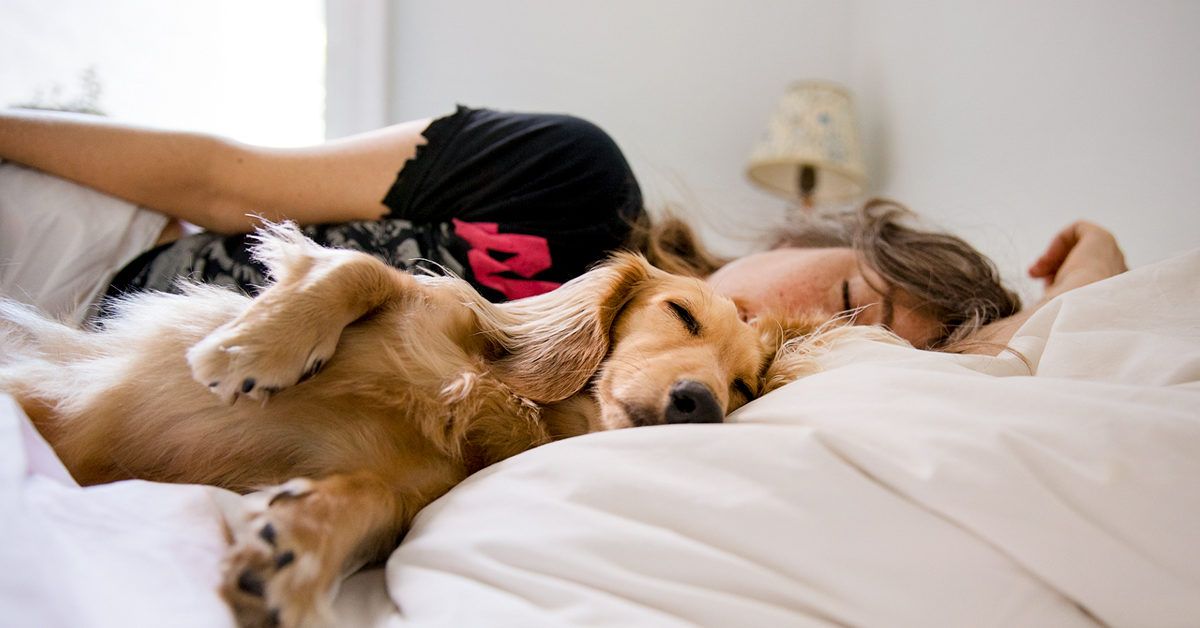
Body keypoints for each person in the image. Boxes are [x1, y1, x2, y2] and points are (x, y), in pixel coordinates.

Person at [0, 105, 1126, 354]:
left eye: (855, 342)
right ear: (804, 232)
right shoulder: (567, 175)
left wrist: (1098, 282)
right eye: (840, 297)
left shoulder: (665, 396)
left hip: (96, 370)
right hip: (103, 247)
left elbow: (1019, 382)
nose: (800, 326)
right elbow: (219, 175)